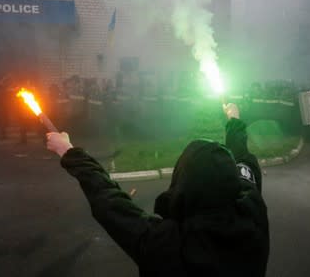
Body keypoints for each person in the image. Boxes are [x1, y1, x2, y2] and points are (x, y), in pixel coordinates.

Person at [46, 103, 269, 277]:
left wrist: (68, 151)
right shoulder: (252, 211)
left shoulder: (167, 245)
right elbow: (243, 160)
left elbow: (108, 200)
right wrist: (234, 120)